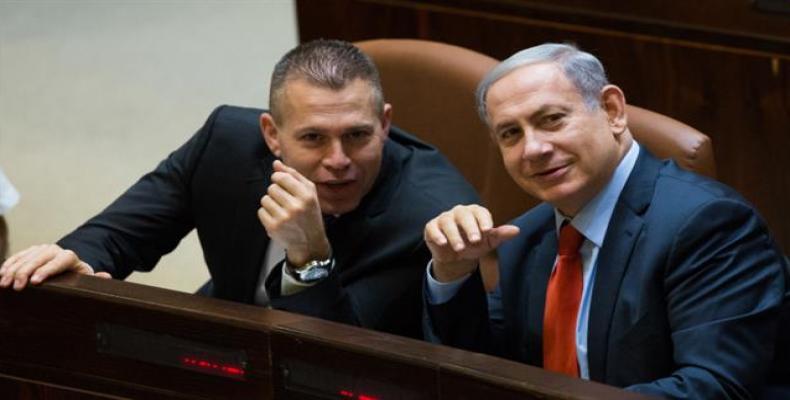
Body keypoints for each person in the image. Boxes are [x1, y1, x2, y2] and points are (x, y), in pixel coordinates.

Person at [0, 39, 478, 339]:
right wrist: (80, 257)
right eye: (312, 138)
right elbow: (120, 233)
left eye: (357, 135)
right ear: (271, 134)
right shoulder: (226, 141)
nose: (338, 161)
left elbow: (333, 360)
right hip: (229, 324)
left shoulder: (429, 213)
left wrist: (309, 256)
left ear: (385, 124)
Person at [422, 43, 789, 398]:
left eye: (551, 119)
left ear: (612, 110)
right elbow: (484, 370)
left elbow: (715, 387)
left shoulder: (709, 225)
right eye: (511, 133)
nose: (533, 149)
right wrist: (453, 271)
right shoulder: (526, 236)